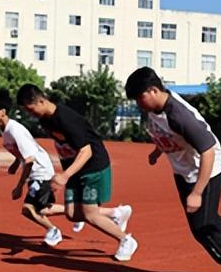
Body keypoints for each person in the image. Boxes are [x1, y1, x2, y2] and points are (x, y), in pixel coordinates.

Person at [124, 67, 221, 272]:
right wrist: (158, 150)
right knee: (205, 219)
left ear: (153, 90)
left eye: (139, 97)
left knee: (203, 226)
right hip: (184, 170)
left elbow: (208, 150)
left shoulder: (180, 115)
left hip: (206, 169)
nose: (138, 103)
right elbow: (166, 133)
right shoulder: (154, 109)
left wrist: (197, 192)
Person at [16, 84, 136, 261]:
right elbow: (62, 144)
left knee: (90, 214)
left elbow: (86, 151)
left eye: (31, 109)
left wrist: (64, 176)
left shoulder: (66, 119)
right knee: (72, 214)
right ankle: (116, 213)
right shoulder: (45, 119)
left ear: (41, 101)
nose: (30, 114)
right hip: (75, 169)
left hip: (93, 166)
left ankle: (126, 240)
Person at [0, 89, 79, 246]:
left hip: (40, 171)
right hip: (36, 172)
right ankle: (83, 213)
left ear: (2, 112)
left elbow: (29, 160)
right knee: (43, 209)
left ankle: (53, 231)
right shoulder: (5, 130)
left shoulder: (14, 129)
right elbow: (21, 152)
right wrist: (15, 164)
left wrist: (19, 187)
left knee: (28, 208)